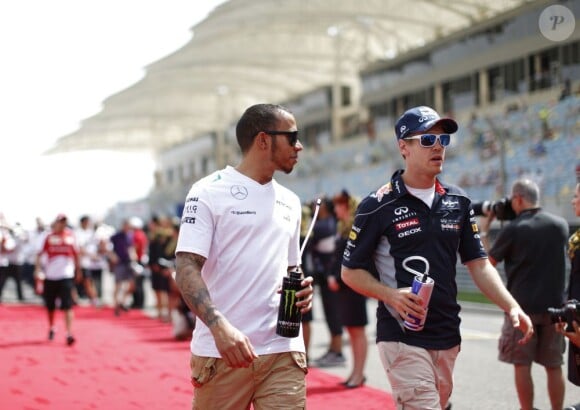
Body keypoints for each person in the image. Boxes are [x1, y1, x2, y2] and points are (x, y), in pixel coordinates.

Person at [340, 105, 533, 410]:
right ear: (404, 147)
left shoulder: (458, 201)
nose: (439, 148)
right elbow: (350, 272)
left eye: (443, 140)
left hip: (447, 335)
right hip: (401, 336)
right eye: (428, 140)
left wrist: (511, 306)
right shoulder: (376, 205)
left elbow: (479, 265)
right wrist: (391, 296)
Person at [174, 103, 314, 409]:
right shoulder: (208, 191)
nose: (299, 145)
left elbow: (292, 268)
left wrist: (303, 290)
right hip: (223, 352)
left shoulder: (291, 201)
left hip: (283, 350)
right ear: (263, 140)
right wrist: (218, 326)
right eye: (292, 137)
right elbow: (185, 265)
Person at [481, 178, 569, 410]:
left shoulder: (514, 229)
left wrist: (484, 232)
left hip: (522, 308)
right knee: (554, 364)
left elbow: (488, 264)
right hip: (555, 308)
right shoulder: (559, 225)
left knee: (522, 364)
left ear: (518, 198)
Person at [332, 190, 368, 388]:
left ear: (347, 206)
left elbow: (357, 259)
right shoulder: (341, 227)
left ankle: (359, 373)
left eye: (339, 205)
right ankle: (355, 372)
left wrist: (337, 276)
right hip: (343, 286)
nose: (335, 209)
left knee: (357, 330)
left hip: (355, 285)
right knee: (351, 330)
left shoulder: (357, 227)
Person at [34, 214, 81, 345]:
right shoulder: (47, 236)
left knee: (67, 305)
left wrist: (78, 270)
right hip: (50, 276)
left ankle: (69, 333)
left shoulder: (71, 236)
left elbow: (77, 254)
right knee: (50, 306)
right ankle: (52, 327)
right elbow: (39, 254)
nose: (62, 224)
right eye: (60, 222)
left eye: (64, 222)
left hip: (66, 275)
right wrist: (37, 270)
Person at [309, 197, 346, 367]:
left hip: (330, 275)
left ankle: (337, 351)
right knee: (329, 313)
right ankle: (333, 349)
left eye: (320, 201)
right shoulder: (323, 222)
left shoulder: (327, 224)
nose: (315, 203)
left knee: (333, 313)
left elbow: (314, 238)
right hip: (323, 276)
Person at [108, 220, 137, 316]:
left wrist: (133, 255)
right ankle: (116, 304)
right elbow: (108, 247)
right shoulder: (116, 236)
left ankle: (122, 302)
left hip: (128, 262)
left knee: (132, 285)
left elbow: (131, 247)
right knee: (118, 285)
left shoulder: (129, 236)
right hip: (119, 263)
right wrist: (113, 256)